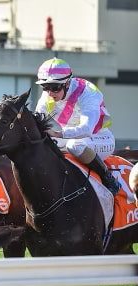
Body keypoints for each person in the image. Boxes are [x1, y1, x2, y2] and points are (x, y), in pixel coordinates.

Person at [35, 57, 120, 195]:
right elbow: (37, 120)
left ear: (67, 83)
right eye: (45, 87)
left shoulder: (88, 93)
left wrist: (58, 133)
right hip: (70, 138)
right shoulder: (47, 96)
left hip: (99, 138)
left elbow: (86, 129)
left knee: (75, 145)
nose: (50, 93)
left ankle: (108, 178)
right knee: (43, 143)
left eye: (55, 88)